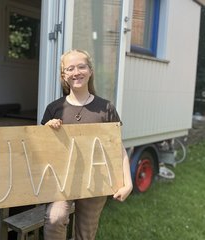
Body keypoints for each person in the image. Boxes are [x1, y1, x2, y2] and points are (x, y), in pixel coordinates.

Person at [41, 49, 133, 240]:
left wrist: (128, 183)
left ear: (90, 71)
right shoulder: (54, 108)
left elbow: (118, 148)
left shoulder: (105, 108)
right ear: (64, 76)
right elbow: (41, 149)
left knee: (85, 234)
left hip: (96, 180)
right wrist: (47, 131)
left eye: (81, 66)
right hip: (62, 181)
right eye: (70, 68)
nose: (76, 72)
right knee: (55, 219)